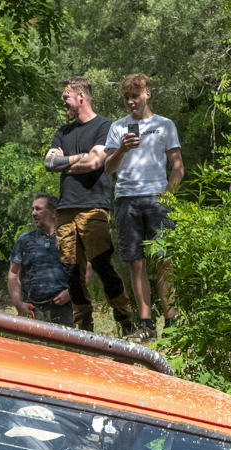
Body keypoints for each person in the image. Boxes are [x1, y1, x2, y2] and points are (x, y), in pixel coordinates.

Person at [44, 77, 135, 336]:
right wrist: (79, 158)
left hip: (94, 207)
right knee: (71, 271)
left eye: (66, 97)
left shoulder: (105, 126)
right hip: (65, 209)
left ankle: (125, 322)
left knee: (102, 265)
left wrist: (65, 162)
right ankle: (84, 328)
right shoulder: (62, 131)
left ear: (81, 96)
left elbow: (95, 162)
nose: (64, 102)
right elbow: (48, 163)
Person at [104, 73, 183, 342]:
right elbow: (108, 168)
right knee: (136, 263)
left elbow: (178, 169)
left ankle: (172, 324)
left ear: (147, 94)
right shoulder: (117, 127)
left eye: (135, 96)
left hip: (157, 199)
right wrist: (121, 150)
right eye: (126, 98)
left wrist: (167, 199)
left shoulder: (165, 125)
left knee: (164, 260)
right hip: (126, 199)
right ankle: (147, 325)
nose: (130, 102)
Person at [7, 193, 73, 326]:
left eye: (38, 209)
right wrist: (18, 303)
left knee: (63, 341)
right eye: (33, 209)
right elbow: (13, 273)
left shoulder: (69, 239)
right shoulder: (24, 240)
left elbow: (86, 269)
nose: (33, 213)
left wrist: (71, 292)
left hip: (63, 308)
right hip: (32, 309)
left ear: (53, 213)